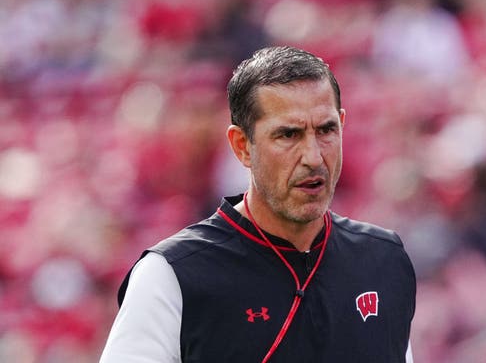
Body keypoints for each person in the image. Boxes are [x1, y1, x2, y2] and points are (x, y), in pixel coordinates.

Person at [99, 46, 416, 362]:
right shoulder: (171, 275)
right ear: (242, 146)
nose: (313, 157)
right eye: (288, 135)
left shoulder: (384, 260)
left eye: (326, 130)